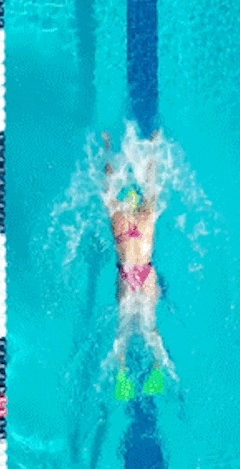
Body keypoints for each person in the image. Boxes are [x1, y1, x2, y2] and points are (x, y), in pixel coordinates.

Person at [101, 131, 178, 400]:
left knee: (123, 330)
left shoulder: (117, 217)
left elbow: (109, 184)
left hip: (126, 273)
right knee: (150, 328)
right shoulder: (147, 216)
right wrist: (154, 149)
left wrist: (108, 148)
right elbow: (153, 186)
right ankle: (159, 366)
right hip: (146, 273)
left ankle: (122, 371)